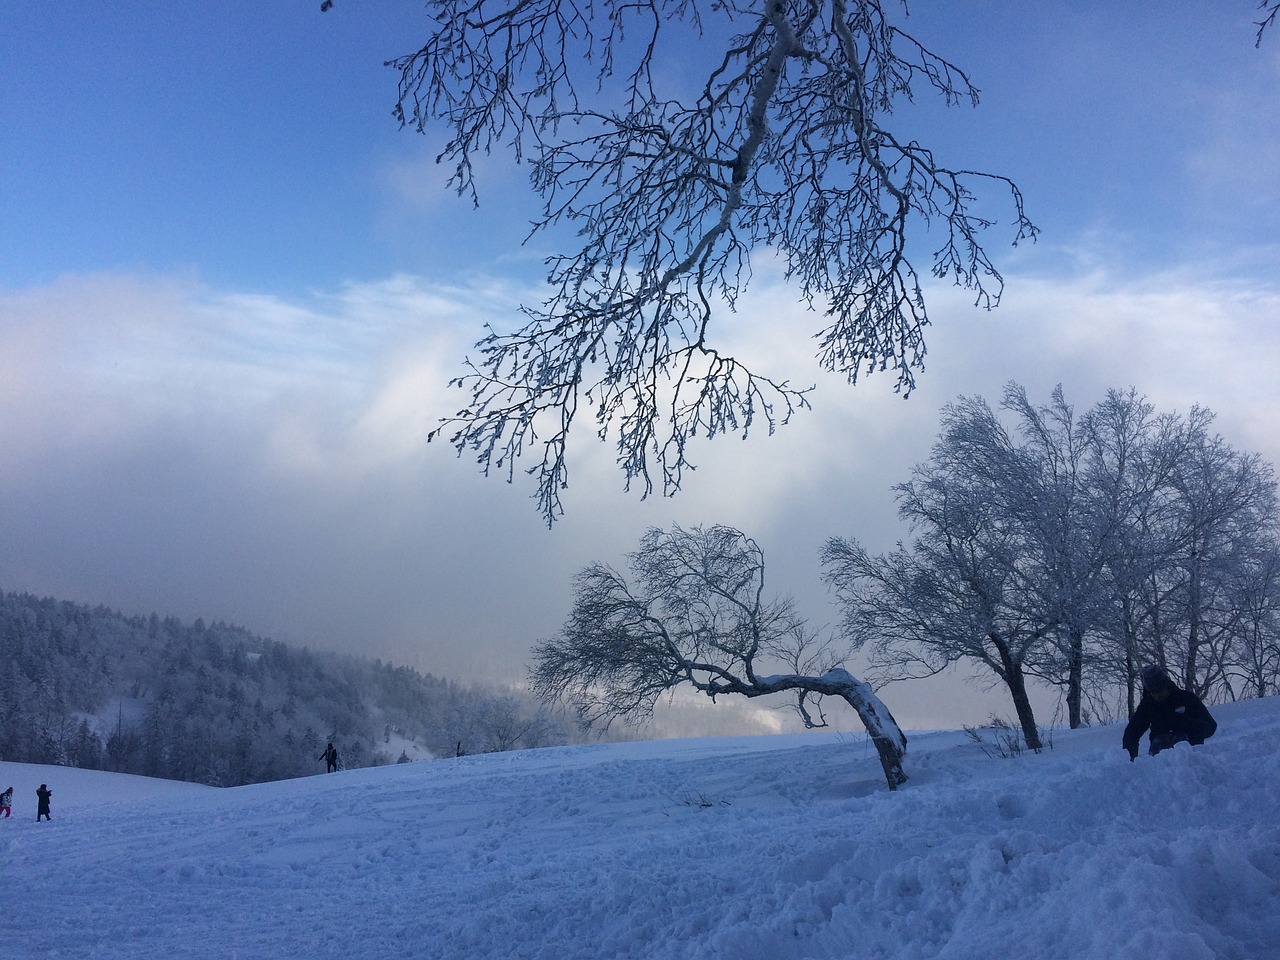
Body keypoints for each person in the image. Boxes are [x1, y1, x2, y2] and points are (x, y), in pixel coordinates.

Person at [1123, 665, 1217, 760]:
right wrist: (1130, 762)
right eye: (1153, 693)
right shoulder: (1148, 705)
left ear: (1167, 686)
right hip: (1160, 759)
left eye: (1160, 691)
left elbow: (1211, 727)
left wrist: (1187, 723)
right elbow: (1131, 734)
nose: (1157, 696)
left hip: (1190, 756)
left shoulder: (1187, 699)